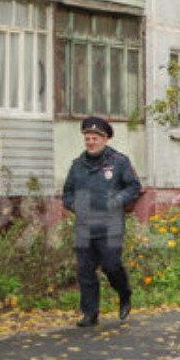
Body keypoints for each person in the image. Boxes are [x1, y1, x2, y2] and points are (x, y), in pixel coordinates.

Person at [60, 116, 142, 328]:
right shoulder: (77, 165)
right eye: (87, 137)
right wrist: (74, 205)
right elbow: (67, 193)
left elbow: (134, 187)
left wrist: (118, 200)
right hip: (85, 226)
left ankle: (124, 293)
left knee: (111, 266)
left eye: (95, 137)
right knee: (85, 272)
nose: (91, 141)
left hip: (111, 225)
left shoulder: (119, 162)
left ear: (105, 139)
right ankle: (90, 314)